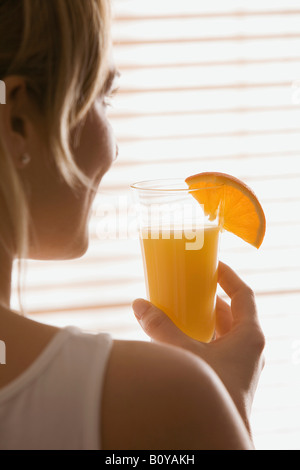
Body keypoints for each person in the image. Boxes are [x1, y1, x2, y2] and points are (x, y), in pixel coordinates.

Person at [0, 0, 265, 450]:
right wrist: (225, 406)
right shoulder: (164, 401)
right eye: (104, 96)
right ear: (18, 121)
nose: (115, 149)